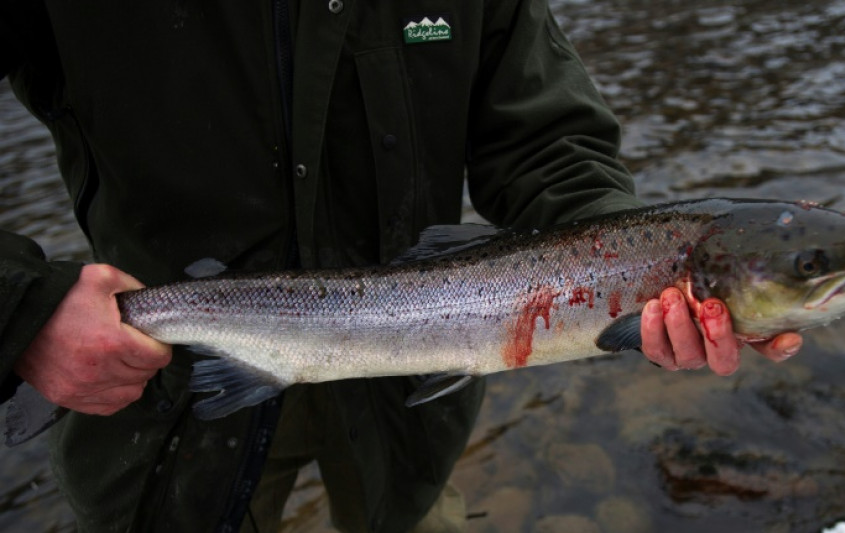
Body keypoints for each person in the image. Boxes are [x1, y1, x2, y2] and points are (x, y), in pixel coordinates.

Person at [0, 1, 802, 532]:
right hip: (154, 402)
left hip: (413, 413)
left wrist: (630, 265)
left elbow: (544, 142)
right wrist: (23, 312)